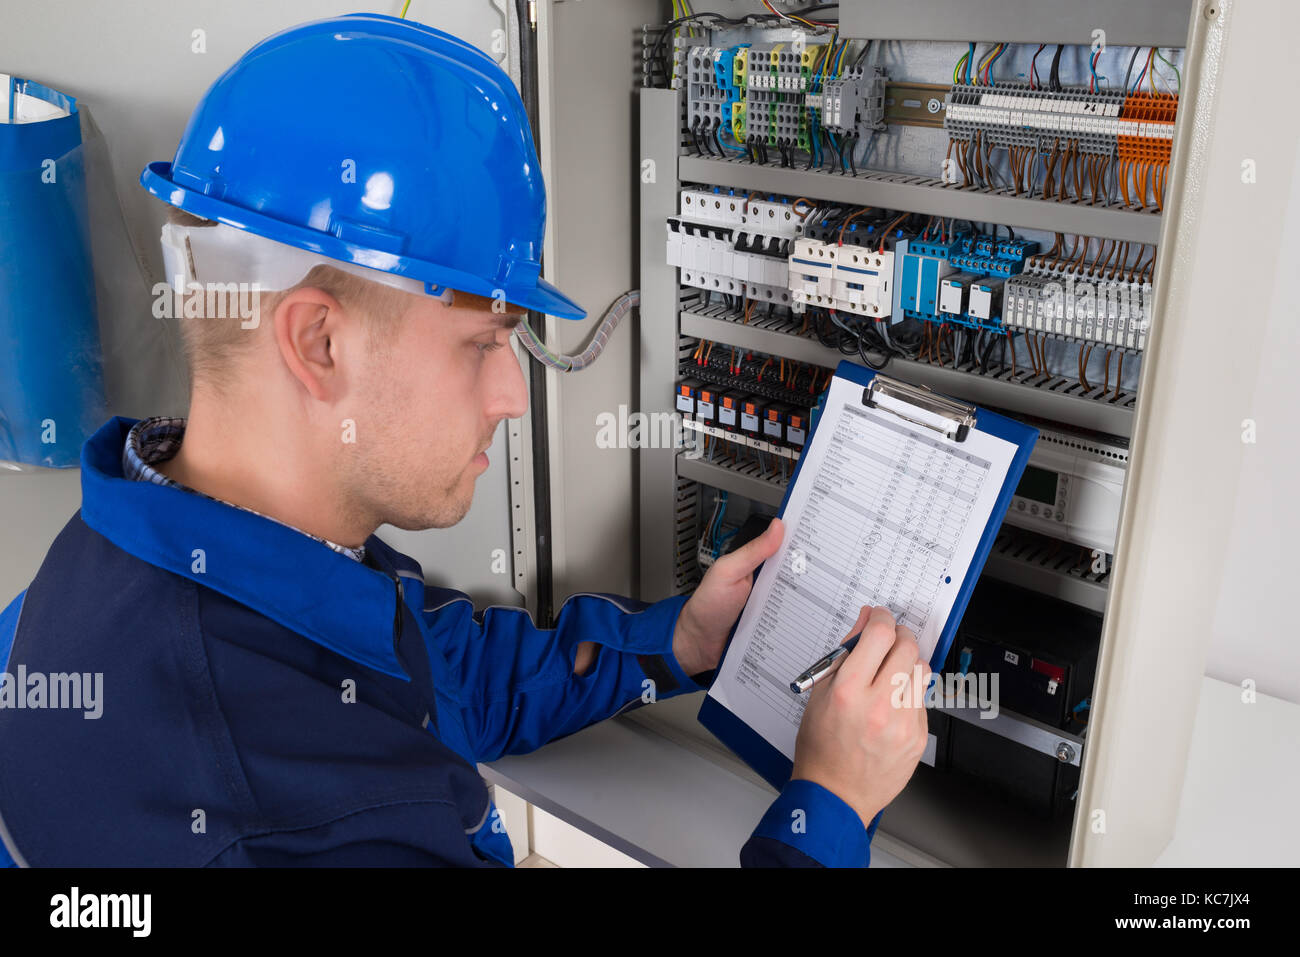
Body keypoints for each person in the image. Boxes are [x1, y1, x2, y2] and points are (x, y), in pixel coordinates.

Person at [0, 13, 928, 867]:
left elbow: (442, 674)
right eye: (484, 342)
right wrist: (830, 803)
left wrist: (673, 644)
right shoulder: (309, 817)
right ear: (318, 341)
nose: (510, 396)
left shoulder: (109, 575)